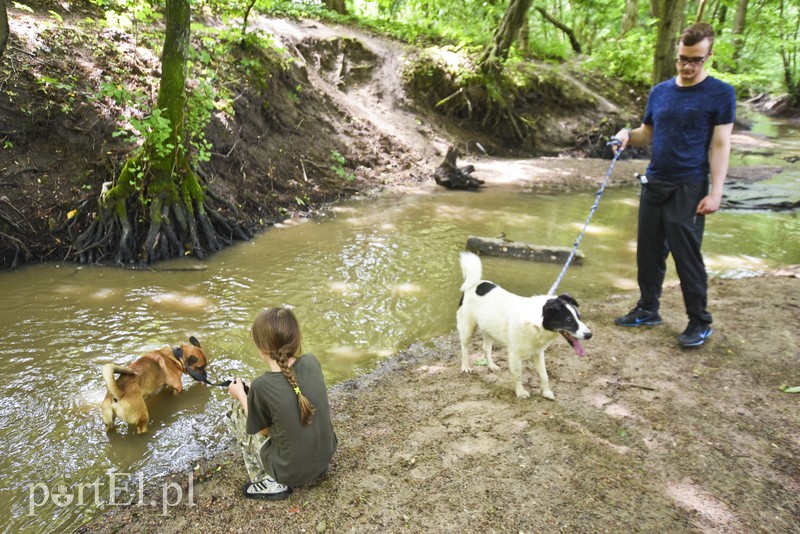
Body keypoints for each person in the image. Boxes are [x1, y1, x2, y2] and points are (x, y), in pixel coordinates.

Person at [609, 22, 735, 347]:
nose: (688, 66)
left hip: (690, 184)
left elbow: (721, 145)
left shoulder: (721, 93)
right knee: (648, 252)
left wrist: (716, 191)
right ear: (676, 55)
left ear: (708, 56)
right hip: (655, 181)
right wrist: (625, 135)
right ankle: (648, 308)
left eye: (696, 60)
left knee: (686, 255)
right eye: (683, 59)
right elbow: (646, 133)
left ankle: (699, 321)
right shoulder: (660, 91)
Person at [227, 307, 337, 499]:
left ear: (261, 349)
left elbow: (262, 432)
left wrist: (241, 396)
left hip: (290, 472)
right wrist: (255, 392)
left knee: (236, 410)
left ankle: (265, 480)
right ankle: (312, 463)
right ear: (296, 339)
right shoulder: (311, 361)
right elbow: (292, 391)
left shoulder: (262, 386)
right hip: (325, 456)